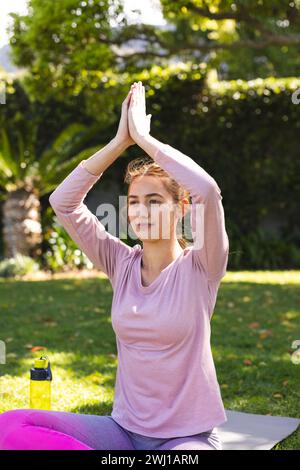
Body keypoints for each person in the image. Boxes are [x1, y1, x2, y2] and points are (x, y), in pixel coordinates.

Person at [0, 81, 229, 450]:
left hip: (186, 440)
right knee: (11, 425)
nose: (141, 211)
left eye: (154, 201)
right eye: (134, 202)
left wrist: (145, 139)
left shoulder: (202, 265)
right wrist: (120, 142)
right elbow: (64, 202)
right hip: (121, 432)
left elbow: (208, 191)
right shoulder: (120, 262)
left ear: (181, 209)